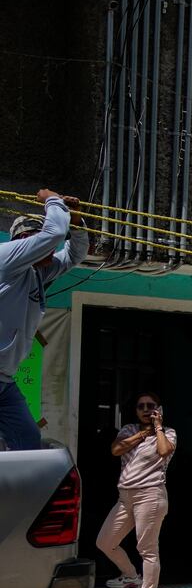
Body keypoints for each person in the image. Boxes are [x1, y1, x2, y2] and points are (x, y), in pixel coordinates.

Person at [1, 191, 88, 449]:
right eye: (43, 245)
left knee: (28, 443)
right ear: (26, 242)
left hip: (4, 381)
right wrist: (52, 200)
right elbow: (54, 235)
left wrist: (76, 223)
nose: (53, 251)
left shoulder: (38, 270)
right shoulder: (7, 258)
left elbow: (74, 255)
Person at [97, 391, 176, 588]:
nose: (145, 409)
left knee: (147, 549)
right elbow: (116, 450)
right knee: (105, 541)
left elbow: (164, 451)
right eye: (141, 406)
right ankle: (131, 576)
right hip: (125, 497)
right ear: (135, 410)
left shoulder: (169, 433)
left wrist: (158, 428)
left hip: (150, 495)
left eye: (151, 405)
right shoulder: (129, 430)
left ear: (159, 409)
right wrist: (143, 434)